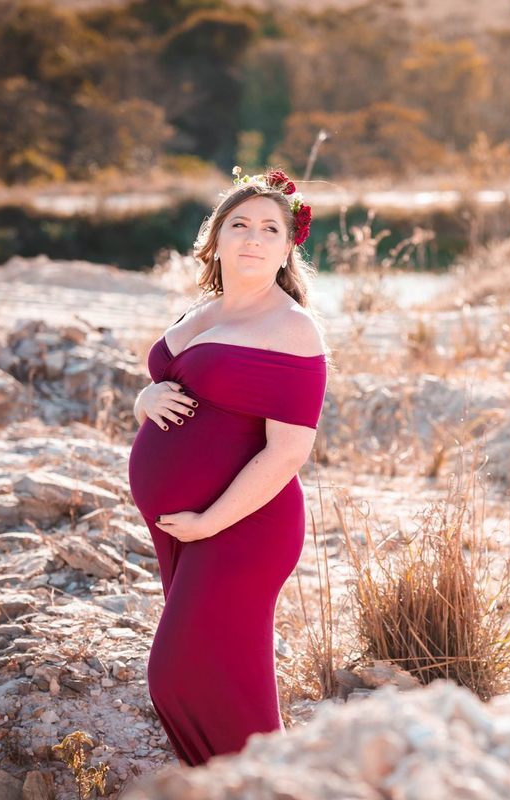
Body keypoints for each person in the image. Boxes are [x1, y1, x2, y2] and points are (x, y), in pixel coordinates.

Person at [126, 167, 328, 766]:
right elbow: (166, 382)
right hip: (188, 527)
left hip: (243, 528)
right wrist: (144, 400)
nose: (252, 237)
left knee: (178, 674)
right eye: (239, 223)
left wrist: (210, 523)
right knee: (219, 678)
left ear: (288, 247)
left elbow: (288, 451)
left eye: (270, 228)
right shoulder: (203, 311)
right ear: (214, 238)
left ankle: (262, 783)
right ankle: (230, 782)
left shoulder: (293, 329)